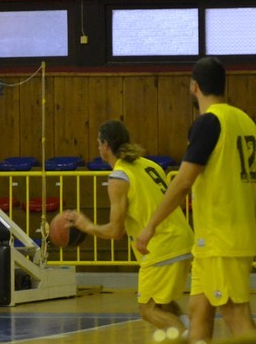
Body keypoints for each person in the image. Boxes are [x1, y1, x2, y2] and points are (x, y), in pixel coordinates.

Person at [135, 57, 256, 344]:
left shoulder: (208, 123)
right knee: (199, 313)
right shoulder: (248, 122)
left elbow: (183, 182)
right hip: (222, 238)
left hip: (220, 237)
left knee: (235, 313)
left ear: (194, 86)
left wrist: (151, 225)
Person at [62, 120, 193, 332]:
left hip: (162, 245)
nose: (98, 148)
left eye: (98, 143)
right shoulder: (149, 165)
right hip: (182, 239)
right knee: (163, 303)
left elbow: (116, 231)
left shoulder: (119, 177)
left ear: (106, 145)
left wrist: (86, 226)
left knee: (148, 309)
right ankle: (191, 335)